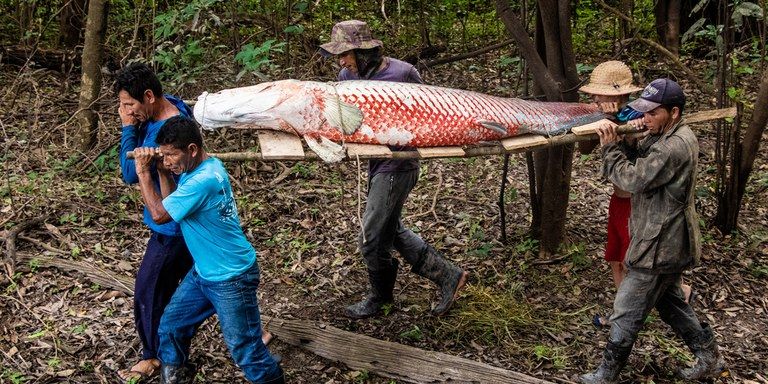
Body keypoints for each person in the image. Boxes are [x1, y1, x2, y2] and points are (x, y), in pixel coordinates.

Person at [319, 20, 469, 318]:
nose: (342, 61)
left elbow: (434, 109)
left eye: (346, 54)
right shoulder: (346, 75)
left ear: (365, 52)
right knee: (392, 228)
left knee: (372, 236)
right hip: (376, 163)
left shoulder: (402, 72)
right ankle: (448, 275)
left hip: (399, 165)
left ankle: (379, 297)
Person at [582, 79, 725, 383]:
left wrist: (610, 148)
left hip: (661, 244)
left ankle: (606, 373)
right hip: (662, 238)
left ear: (674, 112)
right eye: (644, 112)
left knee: (626, 306)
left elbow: (633, 179)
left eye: (652, 113)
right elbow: (640, 157)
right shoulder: (665, 133)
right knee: (671, 303)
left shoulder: (674, 146)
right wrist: (625, 138)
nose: (644, 119)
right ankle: (709, 356)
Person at [132, 116, 283, 383]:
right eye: (163, 155)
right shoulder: (201, 167)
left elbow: (158, 214)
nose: (166, 161)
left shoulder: (204, 180)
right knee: (171, 326)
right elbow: (172, 207)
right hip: (204, 272)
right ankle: (178, 376)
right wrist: (165, 172)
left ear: (192, 149)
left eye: (171, 155)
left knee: (245, 349)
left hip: (230, 277)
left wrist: (144, 171)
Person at [578, 61, 694, 328]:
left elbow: (635, 170)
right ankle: (624, 313)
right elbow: (585, 147)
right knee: (616, 258)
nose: (595, 98)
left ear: (617, 94)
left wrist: (617, 126)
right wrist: (603, 119)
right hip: (619, 200)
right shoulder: (606, 116)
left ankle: (632, 315)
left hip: (638, 205)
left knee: (637, 263)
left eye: (599, 93)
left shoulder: (641, 117)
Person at [115, 62, 194, 382]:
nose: (125, 111)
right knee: (203, 282)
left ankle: (153, 357)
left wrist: (127, 129)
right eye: (122, 106)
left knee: (148, 291)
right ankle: (251, 333)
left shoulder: (163, 131)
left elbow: (129, 172)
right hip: (185, 220)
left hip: (171, 226)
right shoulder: (173, 103)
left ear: (149, 96)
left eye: (129, 104)